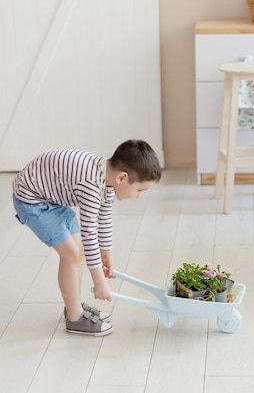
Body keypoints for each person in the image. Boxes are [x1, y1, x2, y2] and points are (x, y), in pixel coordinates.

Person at [12, 140, 162, 336]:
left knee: (79, 250)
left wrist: (106, 253)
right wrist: (99, 281)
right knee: (71, 253)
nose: (139, 196)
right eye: (140, 190)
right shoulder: (91, 186)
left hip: (53, 195)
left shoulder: (106, 176)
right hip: (32, 200)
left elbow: (104, 216)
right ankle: (74, 317)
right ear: (122, 178)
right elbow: (89, 233)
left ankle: (74, 306)